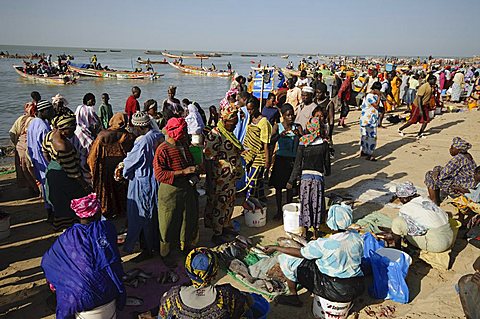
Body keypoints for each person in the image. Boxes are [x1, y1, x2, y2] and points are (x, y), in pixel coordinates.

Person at [41, 193, 126, 319]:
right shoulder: (107, 229)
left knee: (56, 299)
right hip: (108, 292)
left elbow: (48, 262)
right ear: (97, 213)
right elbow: (111, 260)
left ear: (77, 215)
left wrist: (59, 282)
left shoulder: (67, 237)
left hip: (78, 297)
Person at [264, 204, 363, 307]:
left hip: (332, 289)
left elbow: (301, 253)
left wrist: (277, 248)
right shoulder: (357, 238)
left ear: (331, 222)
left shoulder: (324, 244)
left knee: (286, 259)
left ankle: (293, 296)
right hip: (357, 286)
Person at [159, 248, 251, 318]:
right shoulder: (227, 295)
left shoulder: (172, 297)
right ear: (215, 272)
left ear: (188, 271)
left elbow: (161, 316)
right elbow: (248, 303)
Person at [153, 117, 199, 257]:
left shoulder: (183, 144)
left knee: (187, 219)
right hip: (170, 190)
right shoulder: (163, 150)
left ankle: (185, 246)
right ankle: (166, 252)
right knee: (168, 222)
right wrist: (182, 172)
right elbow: (160, 174)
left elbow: (189, 161)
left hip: (186, 188)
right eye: (183, 130)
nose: (186, 133)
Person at [123, 112, 164, 260]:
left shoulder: (143, 142)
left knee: (142, 215)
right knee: (154, 214)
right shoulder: (158, 135)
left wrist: (123, 172)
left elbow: (130, 163)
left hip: (142, 181)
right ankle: (156, 243)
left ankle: (147, 249)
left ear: (139, 127)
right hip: (155, 179)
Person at [43, 113, 91, 230]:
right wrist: (86, 186)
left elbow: (44, 151)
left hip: (53, 171)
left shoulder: (50, 135)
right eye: (72, 129)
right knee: (75, 201)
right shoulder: (63, 146)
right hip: (65, 176)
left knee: (59, 201)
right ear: (64, 129)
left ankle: (62, 226)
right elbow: (74, 173)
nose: (74, 132)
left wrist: (54, 163)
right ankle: (73, 229)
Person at [204, 104, 244, 244]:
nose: (234, 126)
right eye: (233, 123)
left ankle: (225, 225)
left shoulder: (229, 134)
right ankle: (217, 232)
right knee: (219, 205)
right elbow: (208, 159)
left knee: (229, 203)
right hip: (220, 179)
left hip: (230, 178)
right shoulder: (215, 135)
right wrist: (209, 181)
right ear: (225, 121)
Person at [287, 117, 331, 237]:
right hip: (318, 179)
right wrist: (327, 172)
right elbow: (327, 164)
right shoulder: (324, 144)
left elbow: (297, 165)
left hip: (305, 179)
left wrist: (291, 180)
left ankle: (305, 232)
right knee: (317, 204)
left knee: (305, 204)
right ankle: (316, 233)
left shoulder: (303, 143)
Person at [87, 113, 134, 218]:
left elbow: (93, 156)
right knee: (121, 188)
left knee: (107, 189)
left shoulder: (103, 135)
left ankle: (109, 210)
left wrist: (92, 170)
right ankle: (122, 210)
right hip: (121, 167)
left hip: (105, 166)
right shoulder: (129, 136)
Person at [391, 181, 454, 253]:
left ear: (405, 198)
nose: (400, 200)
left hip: (438, 245)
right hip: (450, 237)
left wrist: (399, 234)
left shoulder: (406, 208)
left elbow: (420, 230)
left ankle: (397, 250)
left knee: (398, 222)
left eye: (400, 198)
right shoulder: (426, 200)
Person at [270, 104, 303, 219]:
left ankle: (288, 209)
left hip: (292, 160)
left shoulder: (297, 127)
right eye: (288, 115)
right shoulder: (277, 126)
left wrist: (299, 135)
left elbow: (304, 141)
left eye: (292, 115)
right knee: (278, 188)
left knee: (290, 187)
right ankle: (279, 210)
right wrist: (280, 135)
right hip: (280, 160)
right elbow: (271, 141)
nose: (290, 117)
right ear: (282, 116)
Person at [425, 137, 477, 205]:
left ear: (458, 150)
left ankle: (434, 202)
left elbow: (443, 175)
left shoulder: (458, 159)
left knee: (430, 175)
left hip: (462, 188)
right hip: (470, 186)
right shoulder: (467, 156)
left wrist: (436, 170)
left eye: (452, 148)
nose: (450, 150)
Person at [27, 100, 55, 219]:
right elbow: (49, 147)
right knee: (50, 188)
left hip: (36, 160)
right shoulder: (43, 127)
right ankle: (53, 214)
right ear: (43, 111)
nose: (52, 112)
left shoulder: (33, 123)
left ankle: (49, 211)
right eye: (50, 110)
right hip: (45, 161)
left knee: (45, 187)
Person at [242, 97, 272, 205]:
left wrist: (267, 161)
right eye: (248, 109)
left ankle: (250, 201)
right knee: (258, 181)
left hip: (259, 156)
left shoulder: (263, 122)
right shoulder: (250, 119)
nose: (250, 112)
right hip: (250, 154)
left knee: (252, 180)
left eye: (251, 109)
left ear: (256, 108)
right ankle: (261, 200)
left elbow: (265, 143)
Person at [9, 101, 38, 196]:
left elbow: (12, 133)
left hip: (20, 147)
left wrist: (16, 143)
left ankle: (31, 189)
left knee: (23, 169)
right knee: (32, 168)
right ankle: (37, 188)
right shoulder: (36, 120)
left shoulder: (21, 119)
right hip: (29, 147)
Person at [73, 93, 100, 183]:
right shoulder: (88, 109)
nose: (93, 101)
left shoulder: (75, 132)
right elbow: (95, 122)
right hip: (85, 134)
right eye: (91, 99)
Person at [359, 82, 382, 161]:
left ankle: (364, 151)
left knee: (365, 136)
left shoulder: (369, 95)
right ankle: (369, 154)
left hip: (366, 119)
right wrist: (379, 96)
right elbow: (376, 106)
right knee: (371, 137)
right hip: (369, 120)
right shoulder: (370, 96)